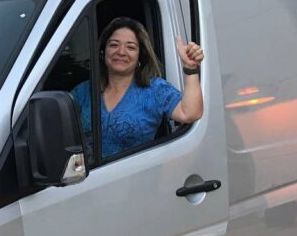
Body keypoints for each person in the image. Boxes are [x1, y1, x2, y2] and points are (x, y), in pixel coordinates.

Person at [72, 17, 204, 159]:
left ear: (140, 56)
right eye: (114, 45)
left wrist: (191, 69)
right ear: (103, 51)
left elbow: (190, 113)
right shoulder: (83, 92)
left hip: (135, 177)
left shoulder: (155, 89)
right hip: (88, 179)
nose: (121, 52)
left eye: (131, 47)